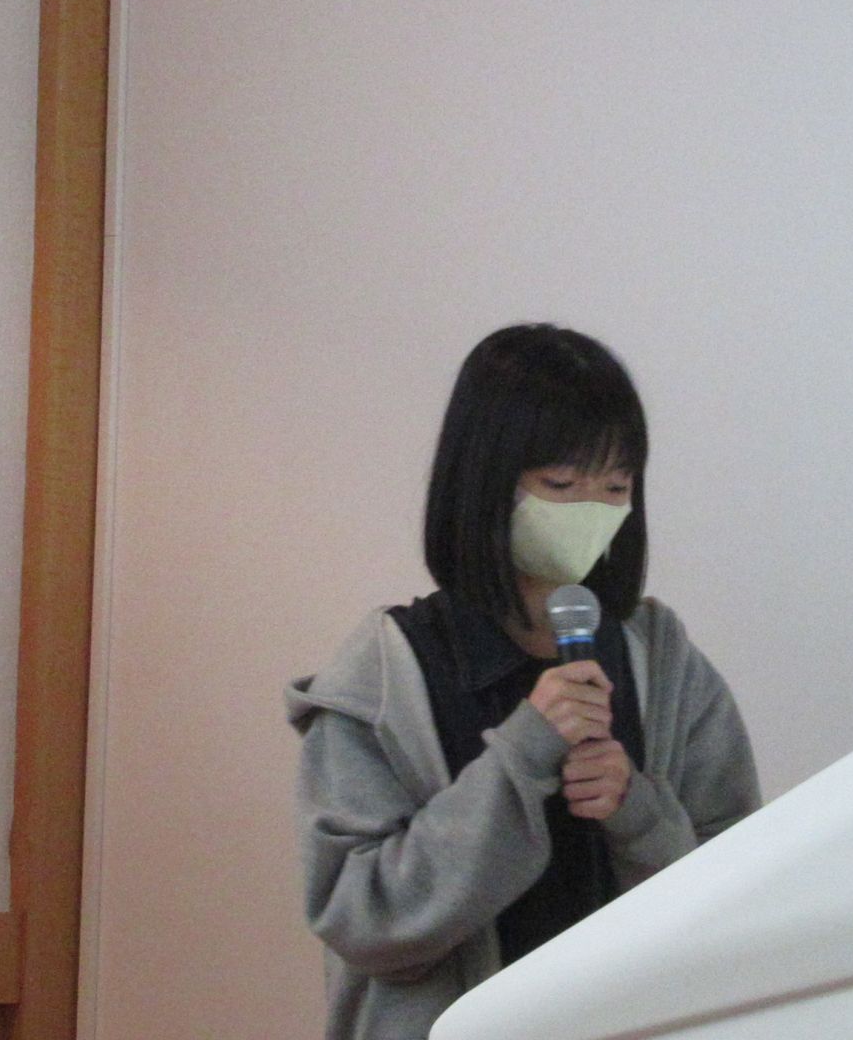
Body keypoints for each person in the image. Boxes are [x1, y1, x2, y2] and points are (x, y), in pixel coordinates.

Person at [286, 323, 761, 1039]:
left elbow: (739, 889)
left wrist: (639, 813)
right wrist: (522, 753)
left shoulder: (659, 659)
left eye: (616, 486)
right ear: (484, 483)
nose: (592, 510)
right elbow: (364, 921)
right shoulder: (385, 676)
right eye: (561, 485)